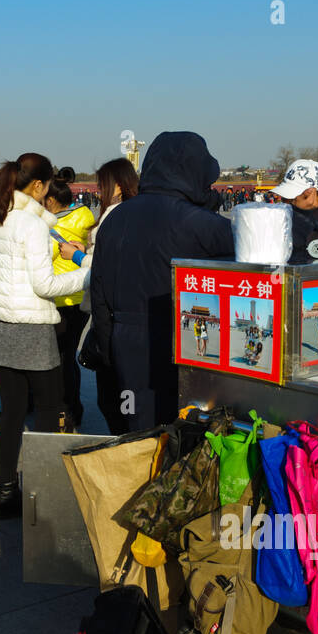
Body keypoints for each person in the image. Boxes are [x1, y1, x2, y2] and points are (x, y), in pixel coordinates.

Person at [90, 133, 234, 433]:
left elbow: (99, 296)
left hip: (127, 345)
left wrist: (110, 351)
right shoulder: (210, 227)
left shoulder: (113, 220)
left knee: (136, 431)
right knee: (186, 432)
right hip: (188, 346)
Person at [0, 153, 86, 517]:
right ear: (38, 185)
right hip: (34, 327)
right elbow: (44, 284)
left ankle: (5, 490)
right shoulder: (31, 225)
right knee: (50, 411)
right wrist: (87, 273)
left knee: (12, 413)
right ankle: (44, 488)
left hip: (0, 326)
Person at [60, 158, 138, 435]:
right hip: (123, 313)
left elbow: (105, 270)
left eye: (101, 184)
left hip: (111, 313)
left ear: (117, 185)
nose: (98, 189)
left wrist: (78, 256)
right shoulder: (131, 212)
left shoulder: (115, 215)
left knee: (111, 394)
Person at [41, 167, 95, 431]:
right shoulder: (85, 216)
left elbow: (45, 258)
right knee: (65, 357)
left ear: (50, 201)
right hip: (78, 297)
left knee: (59, 360)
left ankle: (68, 412)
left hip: (62, 299)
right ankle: (71, 410)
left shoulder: (55, 223)